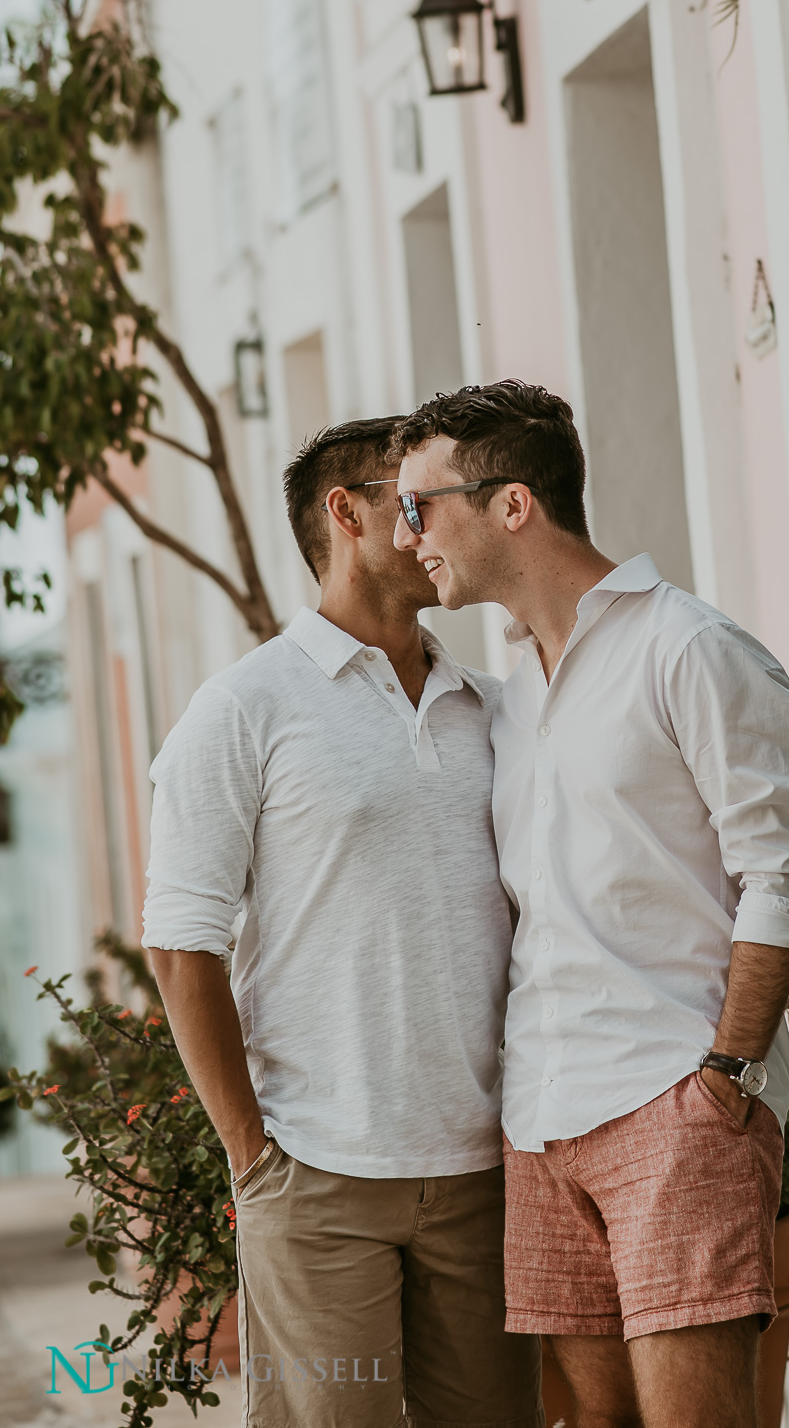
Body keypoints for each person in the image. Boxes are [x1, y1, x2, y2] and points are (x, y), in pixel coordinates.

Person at [389, 382, 789, 1428]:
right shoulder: (513, 696)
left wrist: (725, 1071)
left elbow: (782, 870)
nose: (409, 540)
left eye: (420, 507)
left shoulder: (689, 649)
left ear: (511, 505)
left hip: (670, 1097)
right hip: (542, 1119)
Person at [141, 416, 543, 1428]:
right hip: (316, 1177)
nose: (429, 525)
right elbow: (179, 943)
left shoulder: (492, 705)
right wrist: (253, 1159)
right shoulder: (244, 708)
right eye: (407, 500)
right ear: (344, 512)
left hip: (484, 1171)